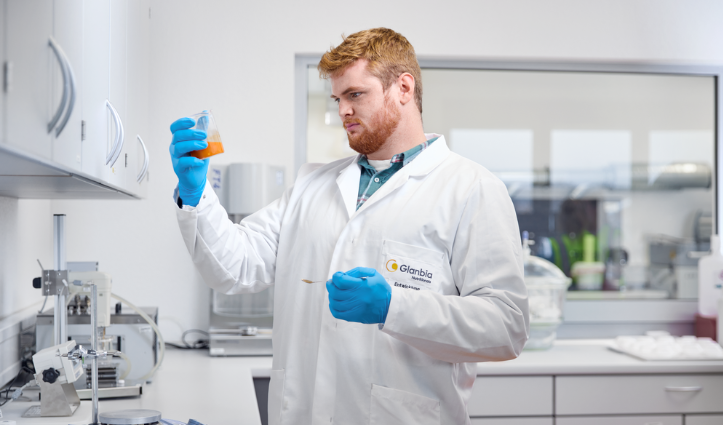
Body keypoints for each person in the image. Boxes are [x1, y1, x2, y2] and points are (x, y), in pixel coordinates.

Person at [169, 28, 529, 425]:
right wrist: (196, 194)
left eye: (355, 95)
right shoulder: (311, 184)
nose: (342, 111)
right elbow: (234, 267)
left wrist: (395, 307)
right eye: (338, 99)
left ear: (403, 88)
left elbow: (505, 325)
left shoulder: (471, 189)